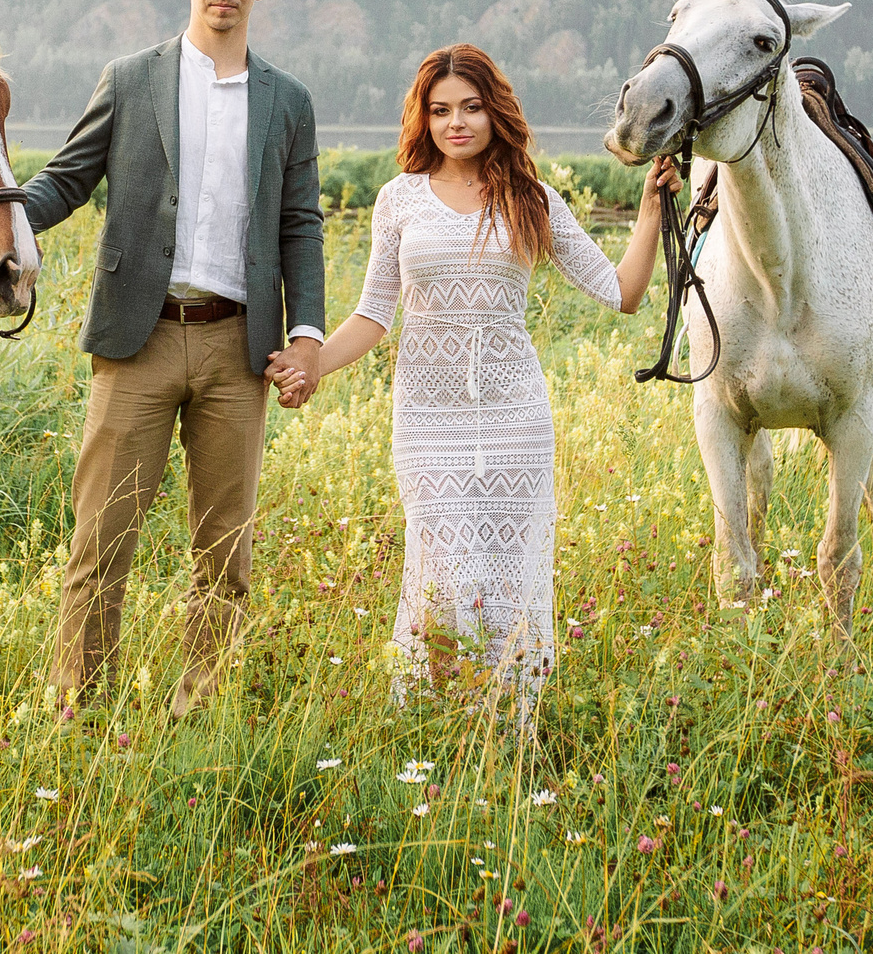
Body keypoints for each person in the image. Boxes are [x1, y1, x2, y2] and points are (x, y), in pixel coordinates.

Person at [285, 43, 673, 714]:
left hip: (515, 417)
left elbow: (622, 291)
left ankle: (506, 721)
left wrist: (648, 211)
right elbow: (373, 314)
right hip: (427, 421)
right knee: (442, 569)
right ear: (423, 118)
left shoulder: (532, 199)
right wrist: (310, 361)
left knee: (510, 577)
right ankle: (436, 721)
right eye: (440, 110)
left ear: (495, 112)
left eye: (470, 107)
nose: (455, 122)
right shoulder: (398, 199)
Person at [21, 0, 328, 719]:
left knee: (225, 551)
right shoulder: (130, 78)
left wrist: (307, 332)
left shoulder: (288, 101)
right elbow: (67, 178)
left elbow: (302, 222)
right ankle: (78, 711)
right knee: (101, 538)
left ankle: (200, 709)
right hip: (139, 337)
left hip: (240, 347)